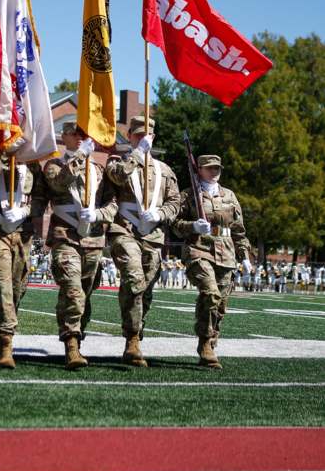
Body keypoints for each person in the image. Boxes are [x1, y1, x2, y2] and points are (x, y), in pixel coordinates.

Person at [105, 115, 180, 367]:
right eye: (137, 134)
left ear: (153, 137)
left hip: (153, 236)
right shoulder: (119, 161)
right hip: (124, 230)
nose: (142, 138)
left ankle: (134, 333)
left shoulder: (165, 171)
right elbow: (116, 177)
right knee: (134, 279)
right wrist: (138, 154)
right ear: (129, 136)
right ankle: (133, 338)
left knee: (144, 291)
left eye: (146, 135)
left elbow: (174, 203)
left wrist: (160, 213)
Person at [43, 122, 117, 369]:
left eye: (83, 135)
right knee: (73, 291)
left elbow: (112, 203)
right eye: (74, 135)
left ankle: (77, 335)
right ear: (64, 137)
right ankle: (71, 345)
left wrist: (99, 215)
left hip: (93, 240)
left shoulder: (97, 169)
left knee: (84, 295)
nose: (79, 138)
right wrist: (81, 155)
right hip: (65, 236)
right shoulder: (54, 165)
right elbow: (60, 183)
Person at [172, 154, 251, 369]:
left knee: (221, 305)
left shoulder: (229, 195)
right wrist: (193, 226)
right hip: (199, 249)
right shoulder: (189, 195)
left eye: (217, 168)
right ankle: (206, 343)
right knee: (210, 293)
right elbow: (175, 225)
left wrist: (244, 257)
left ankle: (210, 343)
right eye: (209, 168)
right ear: (199, 170)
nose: (214, 172)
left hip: (226, 253)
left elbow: (238, 230)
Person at [0, 149, 46, 369]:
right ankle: (6, 344)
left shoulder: (33, 163)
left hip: (22, 231)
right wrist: (0, 152)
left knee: (17, 288)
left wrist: (26, 211)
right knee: (3, 284)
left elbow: (41, 197)